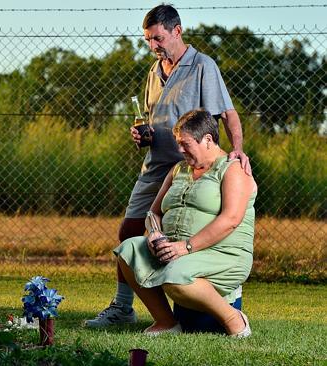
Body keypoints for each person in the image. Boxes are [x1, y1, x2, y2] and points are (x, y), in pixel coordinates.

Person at [85, 4, 252, 328]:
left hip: (191, 167)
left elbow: (228, 113)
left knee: (193, 227)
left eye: (158, 38)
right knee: (131, 229)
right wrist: (144, 134)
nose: (153, 46)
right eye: (148, 40)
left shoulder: (202, 65)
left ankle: (221, 296)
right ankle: (123, 307)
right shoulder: (154, 71)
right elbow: (154, 119)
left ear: (177, 31)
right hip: (157, 165)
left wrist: (238, 150)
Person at [112, 108, 257, 336]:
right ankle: (166, 322)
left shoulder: (233, 169)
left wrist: (184, 247)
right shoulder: (178, 169)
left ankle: (235, 321)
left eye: (185, 143)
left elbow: (231, 220)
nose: (179, 149)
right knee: (128, 250)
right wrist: (154, 234)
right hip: (179, 254)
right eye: (177, 143)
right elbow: (154, 212)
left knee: (175, 272)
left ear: (207, 140)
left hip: (222, 254)